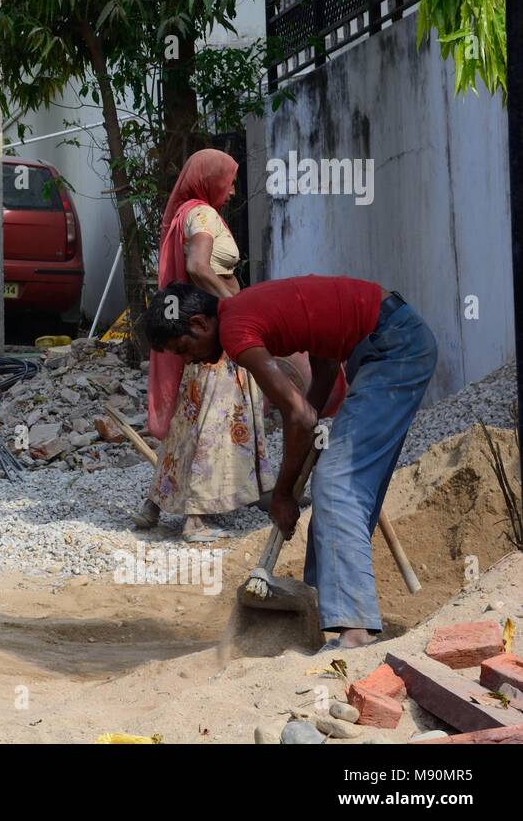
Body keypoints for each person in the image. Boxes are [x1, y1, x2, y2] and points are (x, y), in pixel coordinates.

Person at [142, 276, 438, 649]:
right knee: (343, 483)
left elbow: (297, 415)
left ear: (200, 324)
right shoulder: (250, 309)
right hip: (385, 342)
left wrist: (283, 494)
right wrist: (309, 432)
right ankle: (317, 604)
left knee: (336, 481)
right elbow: (326, 366)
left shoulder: (235, 331)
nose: (189, 359)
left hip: (393, 348)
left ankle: (355, 633)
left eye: (183, 347)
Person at [135, 149, 272, 543]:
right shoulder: (203, 215)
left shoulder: (184, 212)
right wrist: (234, 304)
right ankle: (196, 519)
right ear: (209, 179)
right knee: (215, 423)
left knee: (188, 422)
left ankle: (154, 505)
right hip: (217, 335)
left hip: (204, 333)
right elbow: (197, 266)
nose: (230, 192)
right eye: (228, 182)